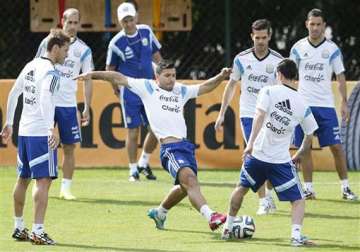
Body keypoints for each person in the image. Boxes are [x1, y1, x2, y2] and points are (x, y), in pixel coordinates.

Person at [75, 60, 230, 231]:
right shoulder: (147, 87)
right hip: (169, 149)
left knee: (184, 187)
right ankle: (211, 216)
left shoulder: (180, 90)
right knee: (190, 181)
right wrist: (92, 74)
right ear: (157, 77)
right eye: (167, 76)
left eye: (173, 75)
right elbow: (118, 77)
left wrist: (221, 76)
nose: (171, 79)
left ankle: (160, 212)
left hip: (185, 147)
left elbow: (205, 87)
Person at [221, 59, 318, 246]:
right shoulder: (302, 104)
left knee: (240, 189)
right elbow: (310, 134)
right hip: (280, 161)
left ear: (279, 75)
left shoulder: (268, 91)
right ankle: (296, 236)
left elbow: (258, 116)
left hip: (257, 155)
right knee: (298, 200)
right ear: (294, 76)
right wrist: (298, 154)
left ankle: (227, 228)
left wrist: (249, 144)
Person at [1, 28, 70, 245]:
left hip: (24, 131)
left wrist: (9, 123)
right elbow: (45, 99)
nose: (67, 55)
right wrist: (51, 128)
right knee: (43, 181)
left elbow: (14, 93)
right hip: (41, 133)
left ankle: (18, 227)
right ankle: (38, 231)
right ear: (55, 48)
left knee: (23, 179)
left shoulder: (30, 65)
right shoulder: (51, 72)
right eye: (65, 50)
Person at [215, 19, 283, 215]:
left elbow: (282, 90)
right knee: (254, 155)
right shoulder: (241, 59)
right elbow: (231, 86)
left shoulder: (278, 61)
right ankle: (263, 201)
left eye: (264, 37)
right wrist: (221, 114)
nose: (260, 41)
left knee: (270, 156)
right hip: (249, 113)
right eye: (257, 38)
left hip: (270, 115)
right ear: (251, 37)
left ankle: (268, 196)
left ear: (269, 36)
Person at [290, 8, 358, 200]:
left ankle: (345, 188)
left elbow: (340, 76)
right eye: (312, 24)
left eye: (319, 24)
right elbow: (288, 74)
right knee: (305, 148)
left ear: (324, 26)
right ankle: (309, 189)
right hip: (303, 106)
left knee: (336, 147)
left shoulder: (332, 49)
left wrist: (344, 102)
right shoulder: (297, 48)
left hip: (326, 106)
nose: (315, 28)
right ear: (307, 24)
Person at [35, 8, 94, 200]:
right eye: (70, 22)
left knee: (69, 147)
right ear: (63, 21)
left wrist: (86, 106)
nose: (73, 26)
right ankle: (42, 184)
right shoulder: (48, 42)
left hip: (68, 104)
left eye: (76, 23)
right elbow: (36, 68)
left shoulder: (84, 50)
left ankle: (66, 189)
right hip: (48, 101)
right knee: (46, 143)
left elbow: (87, 79)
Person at [106, 2, 162, 181]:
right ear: (120, 21)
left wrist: (164, 77)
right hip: (129, 90)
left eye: (130, 19)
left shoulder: (146, 31)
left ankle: (143, 162)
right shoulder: (115, 43)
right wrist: (116, 88)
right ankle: (132, 170)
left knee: (156, 127)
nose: (128, 23)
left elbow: (157, 56)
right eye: (125, 21)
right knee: (133, 131)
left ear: (136, 17)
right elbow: (110, 68)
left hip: (149, 88)